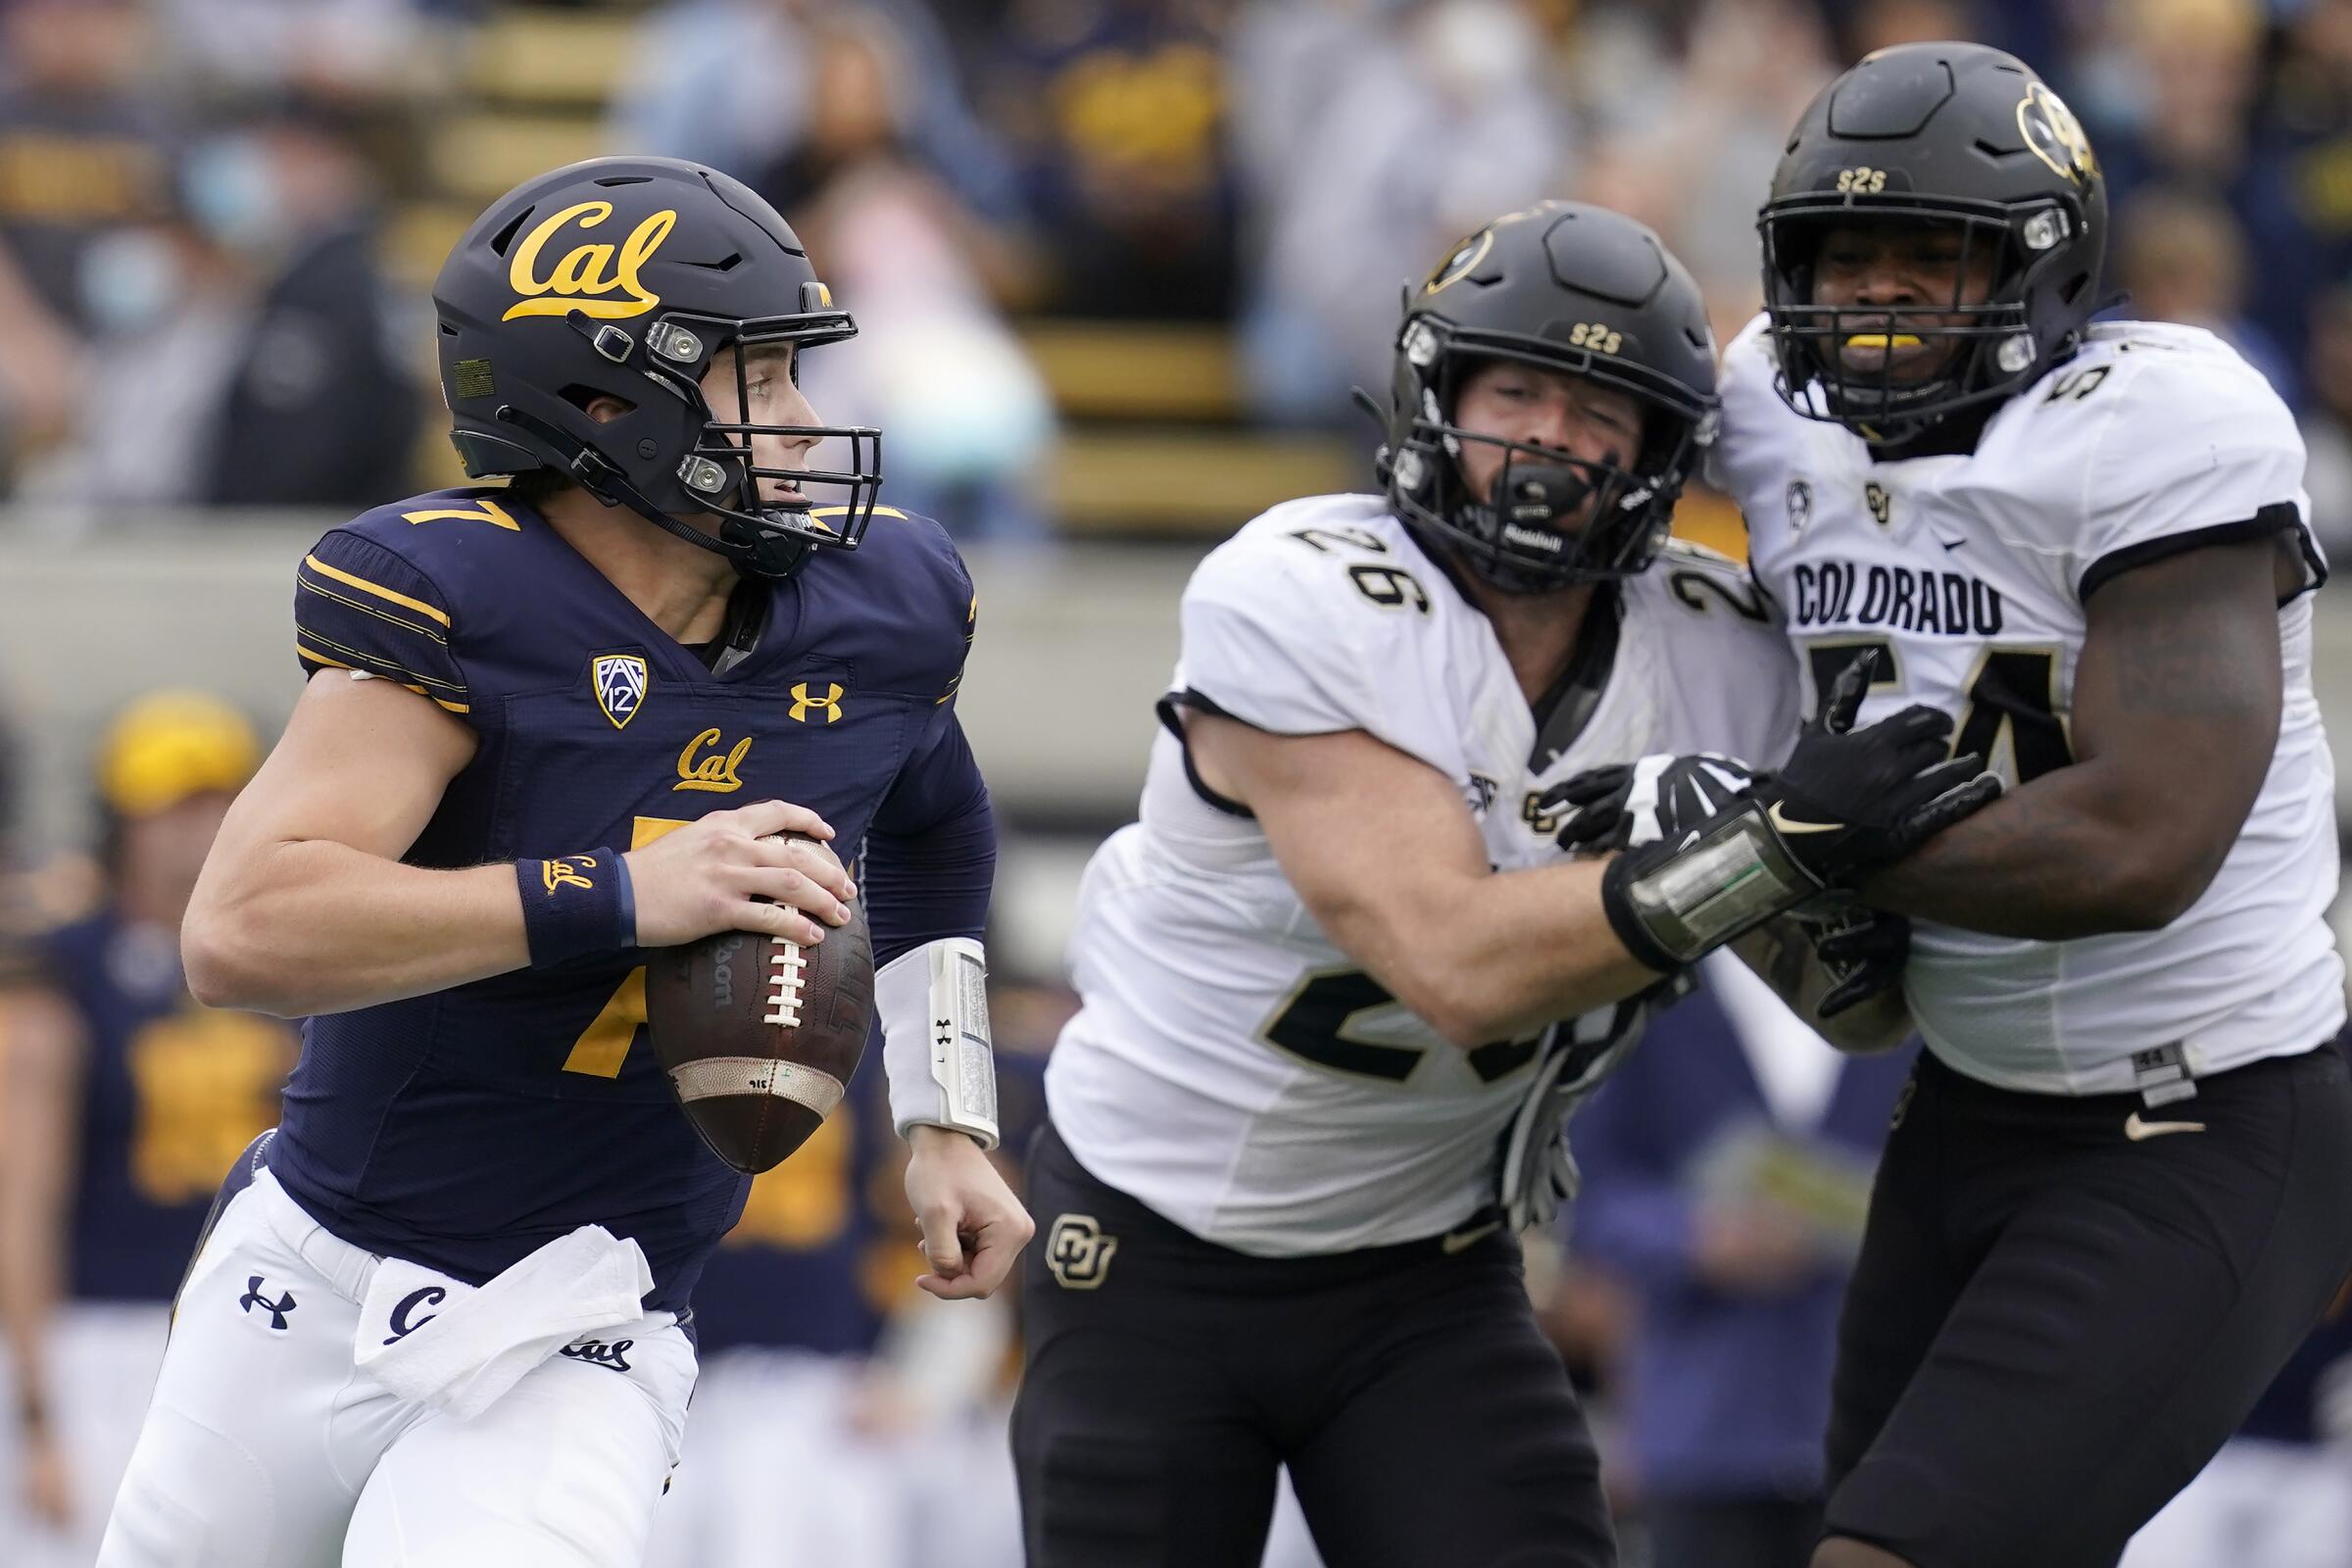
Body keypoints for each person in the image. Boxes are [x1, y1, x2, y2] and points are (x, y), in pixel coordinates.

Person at [1011, 199, 1996, 1568]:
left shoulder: (1716, 651)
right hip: (1158, 1247)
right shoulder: (1300, 591)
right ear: (1438, 395)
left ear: (1660, 453)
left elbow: (1855, 1005)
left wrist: (1831, 888)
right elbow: (1455, 965)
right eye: (1515, 389)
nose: (1546, 438)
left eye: (1598, 410)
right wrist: (1758, 849)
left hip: (1429, 1265)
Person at [93, 154, 1032, 1568]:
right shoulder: (461, 596)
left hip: (587, 1312)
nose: (803, 422)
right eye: (758, 381)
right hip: (312, 1281)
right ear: (605, 406)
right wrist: (626, 895)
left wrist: (949, 1114)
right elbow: (243, 929)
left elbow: (936, 823)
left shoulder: (877, 612)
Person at [1704, 40, 2352, 1568]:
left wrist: (1787, 856)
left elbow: (2143, 843)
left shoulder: (2163, 423)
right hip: (1967, 1099)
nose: (1874, 294)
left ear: (2045, 266)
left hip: (2206, 1112)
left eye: (1928, 257)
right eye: (1842, 255)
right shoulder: (1760, 403)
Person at [0, 693, 296, 1568]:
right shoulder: (65, 971)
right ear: (119, 820)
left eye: (218, 802)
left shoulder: (294, 958)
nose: (196, 830)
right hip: (102, 1332)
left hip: (251, 1328)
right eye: (173, 805)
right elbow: (22, 1203)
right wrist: (36, 1405)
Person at [1571, 953, 1914, 1568]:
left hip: (1888, 1430)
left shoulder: (1915, 978)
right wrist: (1692, 1236)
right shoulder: (1647, 986)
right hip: (1706, 1424)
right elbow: (1584, 1191)